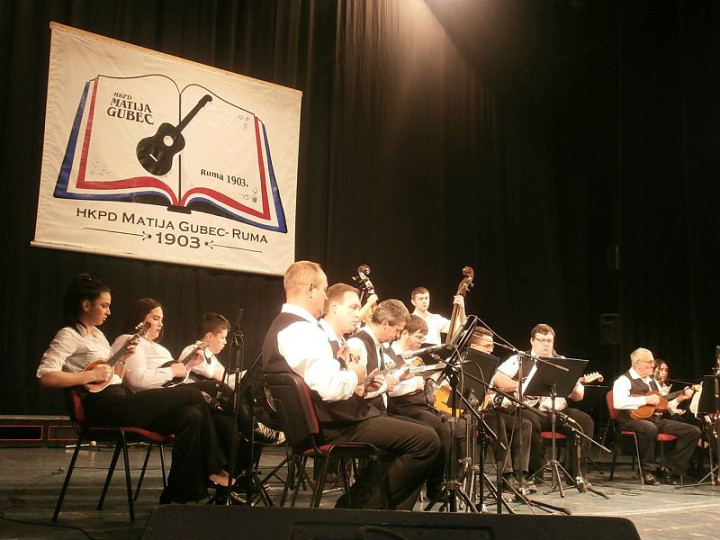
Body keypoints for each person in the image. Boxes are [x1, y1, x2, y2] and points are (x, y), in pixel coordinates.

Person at [263, 261, 440, 510]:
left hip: (333, 419)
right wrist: (355, 375)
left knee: (412, 435)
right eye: (324, 290)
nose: (325, 297)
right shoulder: (301, 330)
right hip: (334, 425)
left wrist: (357, 382)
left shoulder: (287, 326)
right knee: (426, 440)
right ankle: (359, 509)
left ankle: (382, 511)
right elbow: (331, 389)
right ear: (311, 289)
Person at [37, 274, 229, 504]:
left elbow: (113, 377)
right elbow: (45, 376)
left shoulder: (98, 335)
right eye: (104, 305)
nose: (108, 312)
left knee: (191, 415)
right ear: (85, 304)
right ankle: (216, 467)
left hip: (118, 398)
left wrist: (122, 359)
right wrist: (88, 375)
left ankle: (178, 495)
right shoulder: (68, 335)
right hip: (99, 406)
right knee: (193, 393)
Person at [491, 323, 595, 486]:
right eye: (542, 340)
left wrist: (572, 383)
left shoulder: (561, 362)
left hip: (555, 411)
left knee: (584, 421)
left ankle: (576, 475)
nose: (546, 344)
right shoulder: (520, 358)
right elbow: (497, 378)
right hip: (529, 409)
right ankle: (534, 474)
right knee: (529, 420)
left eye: (549, 340)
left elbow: (578, 396)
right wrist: (521, 387)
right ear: (532, 341)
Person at [385, 314, 465, 500]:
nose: (422, 341)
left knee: (461, 426)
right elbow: (391, 389)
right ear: (404, 333)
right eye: (419, 337)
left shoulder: (415, 358)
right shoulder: (388, 355)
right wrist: (417, 383)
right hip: (402, 407)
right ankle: (434, 487)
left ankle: (454, 480)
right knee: (442, 430)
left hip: (422, 404)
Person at [177, 312, 284, 445]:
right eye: (222, 337)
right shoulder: (192, 351)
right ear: (210, 336)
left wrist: (247, 376)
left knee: (258, 413)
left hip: (211, 403)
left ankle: (250, 450)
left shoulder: (211, 357)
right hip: (195, 403)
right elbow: (216, 378)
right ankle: (255, 430)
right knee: (230, 421)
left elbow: (227, 379)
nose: (225, 342)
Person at [613, 347, 701, 484]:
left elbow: (662, 404)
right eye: (649, 361)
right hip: (630, 419)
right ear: (637, 363)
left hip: (654, 418)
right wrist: (645, 400)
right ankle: (648, 470)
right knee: (649, 428)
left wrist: (681, 397)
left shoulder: (651, 381)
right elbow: (618, 403)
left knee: (693, 431)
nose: (652, 364)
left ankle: (671, 469)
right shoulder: (623, 380)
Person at [466, 328, 534, 494]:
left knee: (524, 424)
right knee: (498, 422)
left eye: (492, 346)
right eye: (487, 346)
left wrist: (521, 387)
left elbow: (502, 382)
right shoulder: (466, 363)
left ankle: (519, 475)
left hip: (487, 411)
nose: (491, 350)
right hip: (471, 413)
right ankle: (506, 476)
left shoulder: (489, 364)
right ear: (474, 346)